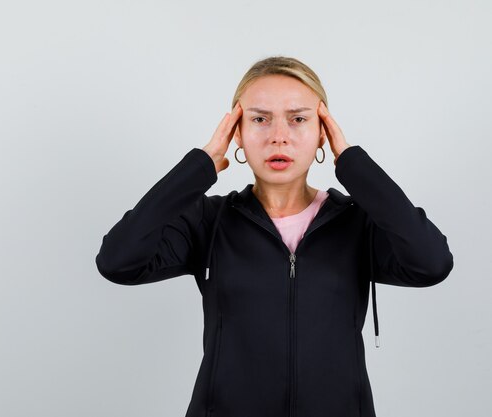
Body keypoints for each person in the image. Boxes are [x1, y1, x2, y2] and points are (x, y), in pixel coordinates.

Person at [95, 56, 454, 417]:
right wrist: (200, 166)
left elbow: (432, 263)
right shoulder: (207, 220)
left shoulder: (357, 223)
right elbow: (117, 261)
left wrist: (352, 164)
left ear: (322, 133)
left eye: (298, 119)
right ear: (237, 131)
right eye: (259, 119)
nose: (278, 136)